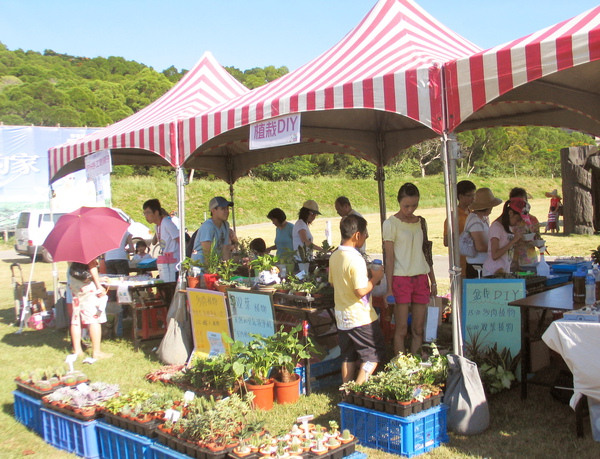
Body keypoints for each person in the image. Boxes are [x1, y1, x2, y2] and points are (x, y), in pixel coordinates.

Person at [328, 214, 385, 384]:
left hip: (342, 315)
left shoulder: (335, 256)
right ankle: (357, 388)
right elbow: (361, 290)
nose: (366, 237)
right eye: (365, 234)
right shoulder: (356, 259)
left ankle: (345, 388)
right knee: (373, 355)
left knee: (348, 355)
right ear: (357, 235)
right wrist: (375, 278)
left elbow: (332, 283)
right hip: (360, 317)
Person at [383, 183, 437, 356]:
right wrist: (389, 287)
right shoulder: (391, 223)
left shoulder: (421, 222)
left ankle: (415, 364)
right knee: (401, 329)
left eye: (414, 205)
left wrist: (433, 280)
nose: (410, 209)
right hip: (401, 279)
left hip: (421, 278)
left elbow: (427, 252)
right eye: (406, 205)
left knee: (418, 330)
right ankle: (401, 368)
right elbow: (389, 258)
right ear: (399, 202)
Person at [68, 260, 112, 360]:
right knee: (94, 318)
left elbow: (80, 270)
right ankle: (96, 352)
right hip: (86, 287)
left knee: (76, 318)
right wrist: (99, 286)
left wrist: (98, 279)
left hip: (74, 283)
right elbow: (92, 267)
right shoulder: (88, 249)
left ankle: (77, 350)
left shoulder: (72, 249)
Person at [483, 198, 529, 277]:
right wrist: (513, 241)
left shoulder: (508, 227)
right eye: (518, 219)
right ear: (510, 213)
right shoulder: (496, 227)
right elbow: (495, 255)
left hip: (503, 271)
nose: (518, 223)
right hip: (493, 272)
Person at [463, 188, 503, 278]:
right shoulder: (475, 220)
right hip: (476, 265)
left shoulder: (483, 218)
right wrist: (499, 247)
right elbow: (480, 247)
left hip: (482, 262)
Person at [443, 180, 476, 277]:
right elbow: (446, 241)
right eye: (470, 196)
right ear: (461, 197)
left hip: (474, 264)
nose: (473, 198)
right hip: (460, 267)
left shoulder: (474, 214)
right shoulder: (453, 217)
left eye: (474, 195)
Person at [143, 198, 180, 282]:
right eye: (144, 213)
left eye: (148, 213)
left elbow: (180, 240)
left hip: (175, 265)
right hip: (166, 265)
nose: (146, 216)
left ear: (156, 212)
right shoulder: (157, 226)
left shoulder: (167, 223)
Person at [191, 196, 234, 265]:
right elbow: (207, 253)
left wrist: (228, 269)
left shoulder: (226, 225)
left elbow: (225, 250)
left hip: (214, 265)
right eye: (223, 209)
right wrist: (209, 272)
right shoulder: (208, 226)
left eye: (227, 208)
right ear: (213, 210)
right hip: (200, 267)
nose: (227, 211)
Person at [509, 187, 541, 271]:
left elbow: (537, 237)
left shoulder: (533, 219)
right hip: (511, 259)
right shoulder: (508, 220)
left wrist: (540, 243)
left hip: (529, 259)